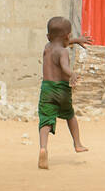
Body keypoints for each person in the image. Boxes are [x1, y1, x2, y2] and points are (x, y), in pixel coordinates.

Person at [37, 16, 95, 170]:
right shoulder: (63, 51)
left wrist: (75, 40)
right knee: (70, 115)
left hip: (47, 89)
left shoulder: (47, 47)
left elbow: (57, 41)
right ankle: (77, 143)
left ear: (48, 36)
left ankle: (43, 148)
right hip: (61, 89)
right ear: (67, 36)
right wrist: (72, 74)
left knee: (46, 119)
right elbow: (64, 67)